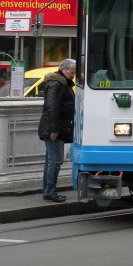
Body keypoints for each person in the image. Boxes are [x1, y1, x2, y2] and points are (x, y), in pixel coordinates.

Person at [37, 59, 76, 202]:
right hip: (54, 129)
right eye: (72, 72)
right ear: (63, 70)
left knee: (52, 160)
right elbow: (52, 108)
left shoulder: (60, 83)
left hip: (55, 127)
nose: (73, 75)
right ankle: (50, 191)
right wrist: (54, 129)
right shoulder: (57, 84)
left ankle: (49, 190)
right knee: (56, 160)